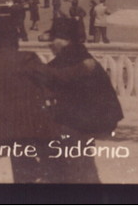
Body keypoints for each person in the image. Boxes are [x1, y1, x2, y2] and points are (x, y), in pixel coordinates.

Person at [29, 18, 124, 184]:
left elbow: (48, 80)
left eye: (54, 40)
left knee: (64, 158)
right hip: (97, 120)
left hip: (80, 123)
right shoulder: (80, 54)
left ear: (66, 40)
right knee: (81, 164)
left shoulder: (68, 57)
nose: (50, 44)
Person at [0, 16, 59, 183]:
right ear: (15, 40)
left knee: (23, 154)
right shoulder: (27, 58)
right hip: (29, 128)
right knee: (57, 143)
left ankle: (30, 175)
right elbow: (50, 81)